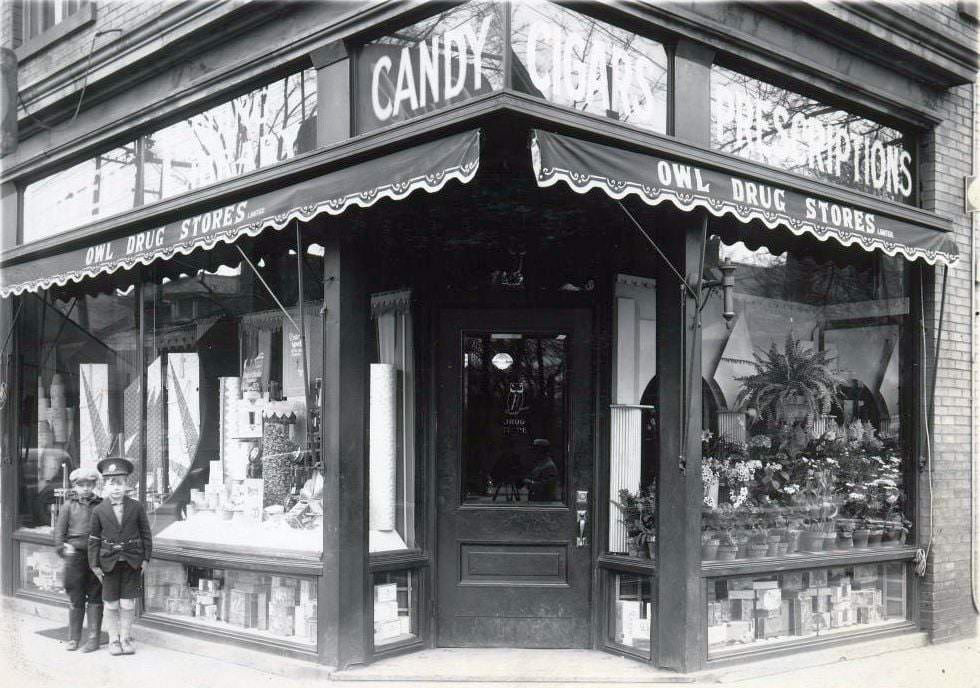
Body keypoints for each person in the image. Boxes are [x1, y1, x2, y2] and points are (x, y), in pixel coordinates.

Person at [88, 457, 152, 656]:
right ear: (104, 486)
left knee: (127, 603)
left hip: (132, 562)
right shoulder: (98, 510)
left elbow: (146, 533)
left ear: (127, 485)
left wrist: (146, 559)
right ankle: (113, 640)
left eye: (120, 483)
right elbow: (93, 539)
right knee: (111, 603)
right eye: (111, 483)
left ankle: (125, 637)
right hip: (108, 563)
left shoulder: (137, 507)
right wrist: (94, 565)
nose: (115, 488)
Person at [54, 466, 103, 652]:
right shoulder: (68, 506)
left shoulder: (101, 504)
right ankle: (74, 638)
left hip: (95, 556)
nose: (85, 488)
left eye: (89, 485)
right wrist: (62, 549)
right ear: (75, 486)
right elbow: (59, 531)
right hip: (75, 556)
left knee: (96, 595)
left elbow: (107, 528)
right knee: (76, 596)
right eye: (81, 485)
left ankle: (93, 639)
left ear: (94, 485)